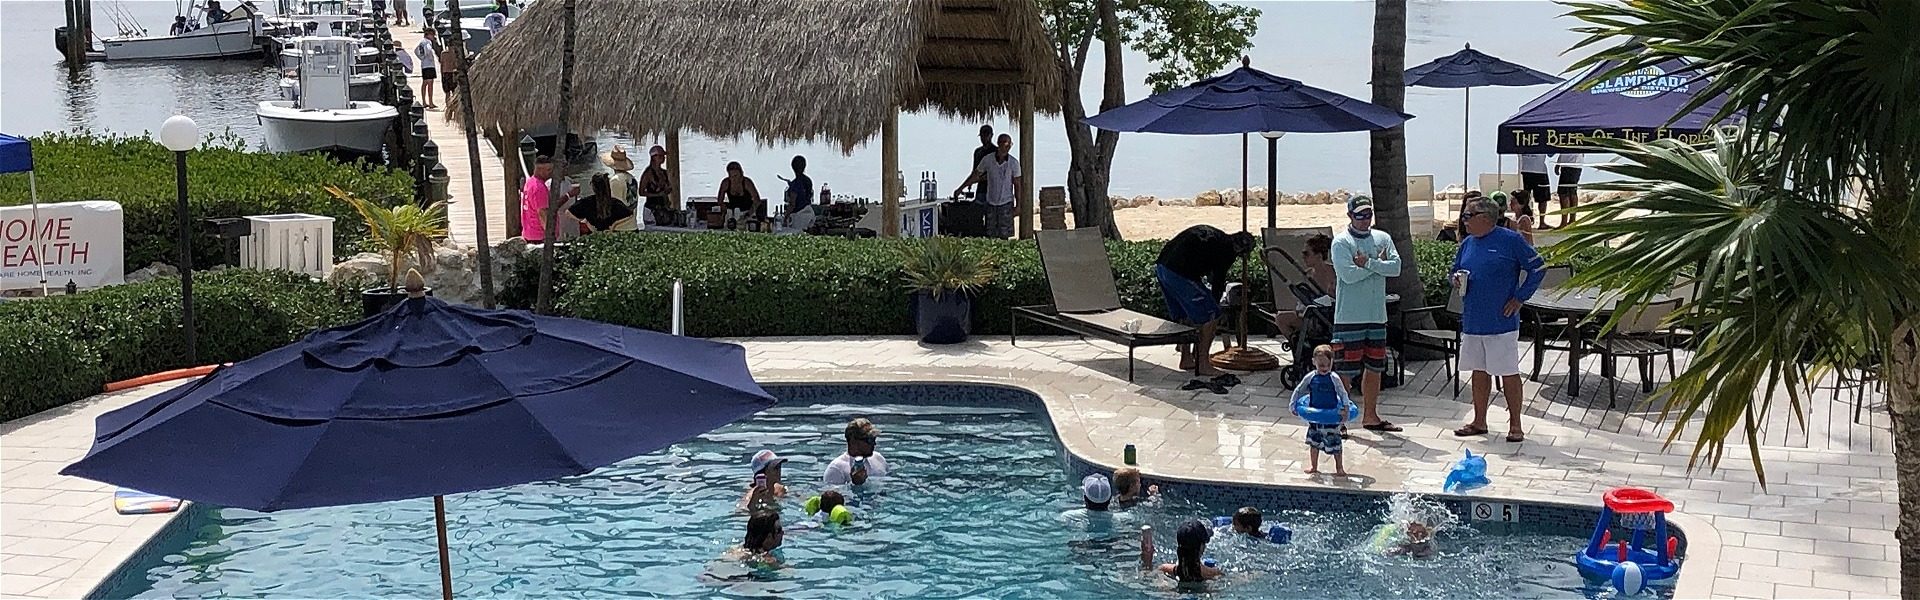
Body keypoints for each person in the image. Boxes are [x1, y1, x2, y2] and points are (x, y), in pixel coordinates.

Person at [1451, 196, 1546, 443]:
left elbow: (1538, 268)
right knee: (1478, 371)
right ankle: (1479, 420)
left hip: (1501, 321)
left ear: (1484, 218)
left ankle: (1515, 425)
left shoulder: (1510, 240)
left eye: (1468, 216)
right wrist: (1456, 279)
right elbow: (1454, 270)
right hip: (1473, 319)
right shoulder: (1467, 243)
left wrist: (1520, 298)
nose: (1464, 221)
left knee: (1507, 372)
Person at [1329, 196, 1402, 434]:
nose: (1365, 219)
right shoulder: (1341, 242)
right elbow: (1347, 275)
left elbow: (1396, 267)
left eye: (1368, 214)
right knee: (1345, 372)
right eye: (1360, 215)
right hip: (1349, 317)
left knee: (1375, 367)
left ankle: (1370, 416)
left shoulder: (1383, 238)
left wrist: (1367, 264)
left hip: (1376, 315)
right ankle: (1340, 420)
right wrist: (1376, 266)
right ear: (1350, 216)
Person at [1155, 225, 1256, 379]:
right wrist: (1214, 309)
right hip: (1180, 272)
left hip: (1162, 267)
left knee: (1185, 314)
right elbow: (1218, 283)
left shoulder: (1218, 237)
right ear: (1240, 251)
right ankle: (1203, 363)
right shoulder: (1227, 252)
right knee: (1212, 315)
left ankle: (1186, 358)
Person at [1292, 344, 1351, 475]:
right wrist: (1293, 404)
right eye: (1321, 365)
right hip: (1315, 417)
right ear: (1314, 362)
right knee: (1314, 443)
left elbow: (1343, 393)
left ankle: (1339, 468)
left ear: (1332, 363)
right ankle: (1314, 466)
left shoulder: (1334, 378)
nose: (1324, 368)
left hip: (1331, 418)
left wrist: (1345, 408)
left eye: (1327, 365)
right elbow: (1299, 389)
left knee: (1335, 444)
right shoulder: (1311, 377)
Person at [952, 133, 1021, 238]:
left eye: (1008, 145)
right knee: (990, 234)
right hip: (991, 202)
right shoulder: (988, 160)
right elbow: (975, 175)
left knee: (1004, 235)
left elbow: (1017, 185)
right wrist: (961, 188)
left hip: (1006, 203)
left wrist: (1018, 205)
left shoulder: (1014, 163)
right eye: (1003, 144)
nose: (1006, 147)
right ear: (998, 144)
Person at [1273, 234, 1336, 338]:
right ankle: (1296, 343)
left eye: (1306, 254)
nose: (1303, 257)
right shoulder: (1307, 275)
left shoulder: (1335, 273)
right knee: (1281, 317)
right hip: (1311, 316)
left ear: (1319, 256)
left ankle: (1299, 343)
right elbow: (1302, 302)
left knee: (1282, 318)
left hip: (1328, 319)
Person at [1141, 520, 1223, 583]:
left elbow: (1146, 577)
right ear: (1202, 547)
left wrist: (1147, 561)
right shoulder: (1215, 575)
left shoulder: (1164, 570)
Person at [823, 418, 889, 486]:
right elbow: (834, 495)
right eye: (870, 440)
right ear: (853, 442)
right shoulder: (836, 469)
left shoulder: (879, 459)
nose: (874, 444)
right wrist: (855, 485)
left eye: (874, 439)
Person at [568, 173, 635, 233]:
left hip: (592, 234)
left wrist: (585, 221)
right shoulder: (615, 203)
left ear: (593, 186)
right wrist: (614, 225)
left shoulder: (586, 202)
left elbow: (568, 212)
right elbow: (630, 214)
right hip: (609, 233)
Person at [714, 161, 764, 229]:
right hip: (732, 212)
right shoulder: (725, 183)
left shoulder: (747, 182)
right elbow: (720, 200)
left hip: (747, 211)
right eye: (731, 176)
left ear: (741, 174)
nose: (734, 179)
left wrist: (749, 214)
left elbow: (757, 200)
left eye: (736, 176)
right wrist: (725, 211)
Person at [518, 156, 555, 243]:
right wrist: (549, 234)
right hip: (539, 236)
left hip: (529, 232)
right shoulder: (539, 188)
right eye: (548, 170)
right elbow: (542, 212)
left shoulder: (530, 182)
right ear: (540, 170)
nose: (551, 173)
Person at [638, 145, 675, 226]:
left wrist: (667, 190)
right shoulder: (648, 173)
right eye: (661, 156)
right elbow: (641, 192)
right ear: (654, 157)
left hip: (663, 208)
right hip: (651, 209)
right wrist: (656, 195)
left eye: (663, 156)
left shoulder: (664, 172)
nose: (663, 158)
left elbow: (668, 188)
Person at [1518, 153, 1552, 228]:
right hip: (1539, 170)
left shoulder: (1522, 141)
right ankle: (1541, 222)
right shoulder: (1544, 141)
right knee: (1542, 199)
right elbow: (1550, 154)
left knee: (1525, 197)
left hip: (1526, 169)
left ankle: (1524, 220)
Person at [782, 155, 815, 231]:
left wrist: (785, 217)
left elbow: (792, 204)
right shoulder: (808, 180)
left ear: (792, 167)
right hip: (809, 213)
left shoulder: (795, 184)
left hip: (799, 216)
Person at [603, 145, 638, 212]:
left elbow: (615, 204)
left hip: (620, 221)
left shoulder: (615, 180)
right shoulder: (632, 178)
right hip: (632, 220)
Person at [1554, 154, 1584, 228]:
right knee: (1571, 192)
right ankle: (1571, 220)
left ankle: (1565, 222)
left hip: (1569, 164)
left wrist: (1558, 163)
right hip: (1575, 164)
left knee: (1564, 193)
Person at [414, 30, 441, 109]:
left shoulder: (421, 42)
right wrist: (429, 57)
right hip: (429, 65)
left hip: (424, 65)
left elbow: (416, 51)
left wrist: (421, 58)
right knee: (430, 84)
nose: (433, 37)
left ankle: (424, 101)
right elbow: (428, 50)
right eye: (432, 35)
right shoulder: (427, 42)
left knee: (424, 83)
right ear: (428, 35)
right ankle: (431, 102)